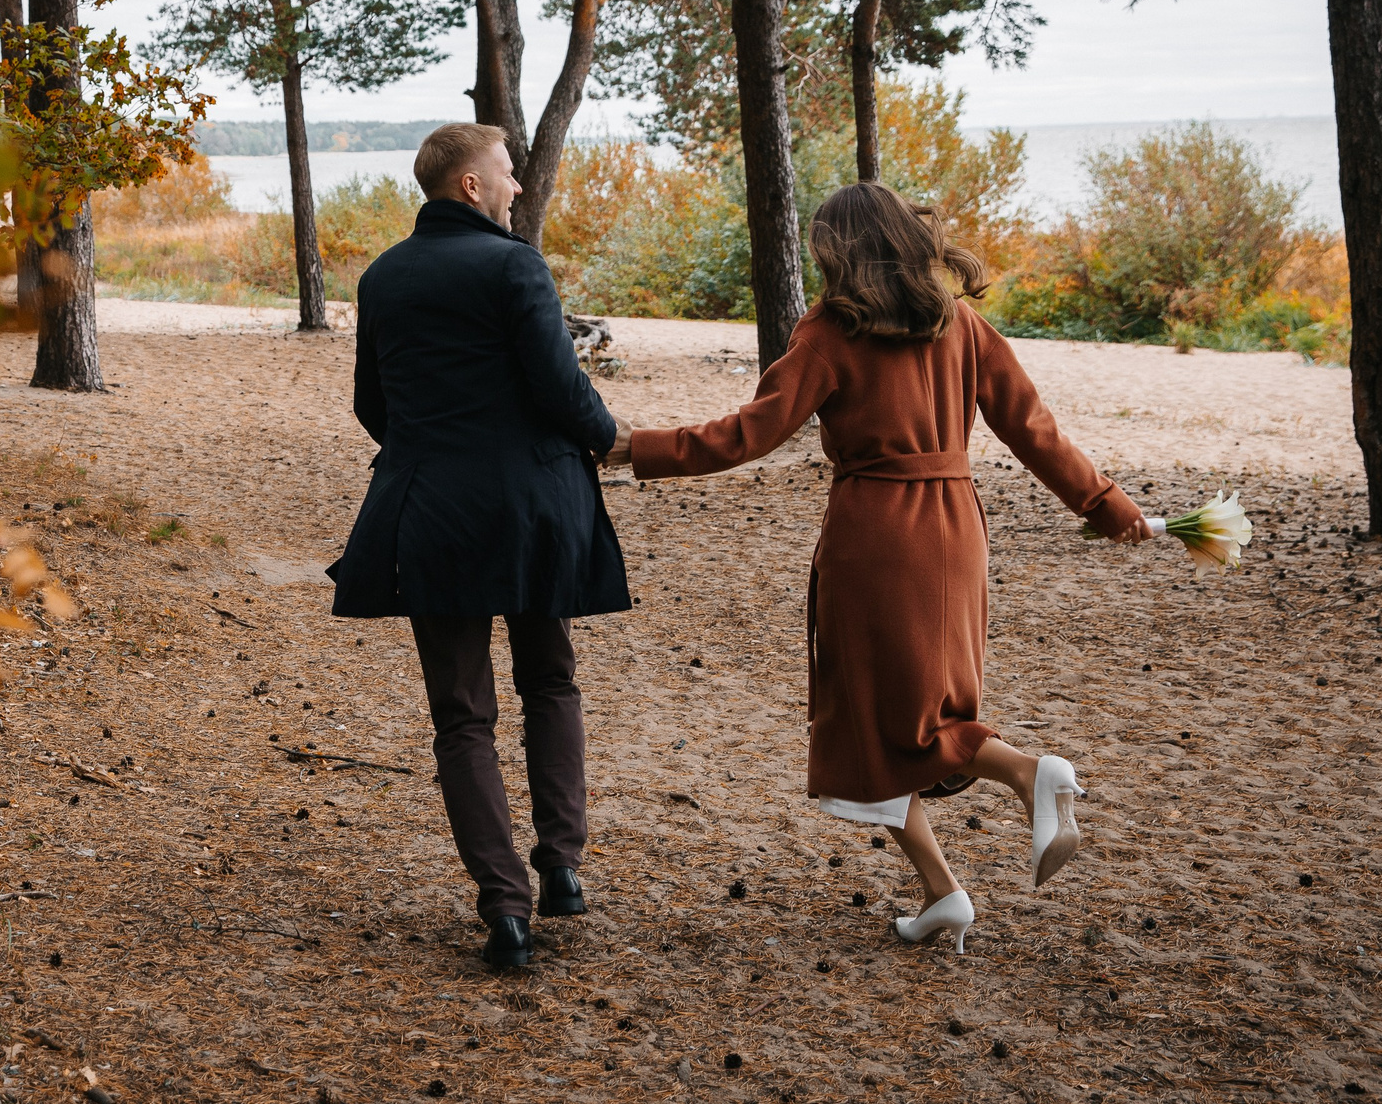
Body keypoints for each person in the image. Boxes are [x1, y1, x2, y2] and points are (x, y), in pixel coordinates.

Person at [624, 182, 1158, 953]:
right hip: (956, 528)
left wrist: (633, 446)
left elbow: (747, 433)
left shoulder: (831, 332)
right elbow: (1033, 429)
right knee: (880, 722)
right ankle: (943, 891)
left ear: (840, 251)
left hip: (878, 535)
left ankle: (1029, 771)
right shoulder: (961, 323)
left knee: (889, 718)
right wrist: (1103, 502)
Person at [328, 123, 633, 969]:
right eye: (507, 174)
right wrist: (608, 435)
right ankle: (562, 862)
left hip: (431, 511)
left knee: (461, 714)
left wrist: (435, 449)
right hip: (534, 506)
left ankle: (504, 907)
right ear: (469, 185)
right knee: (549, 675)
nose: (518, 188)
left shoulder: (381, 275)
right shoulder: (514, 264)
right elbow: (557, 383)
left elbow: (371, 401)